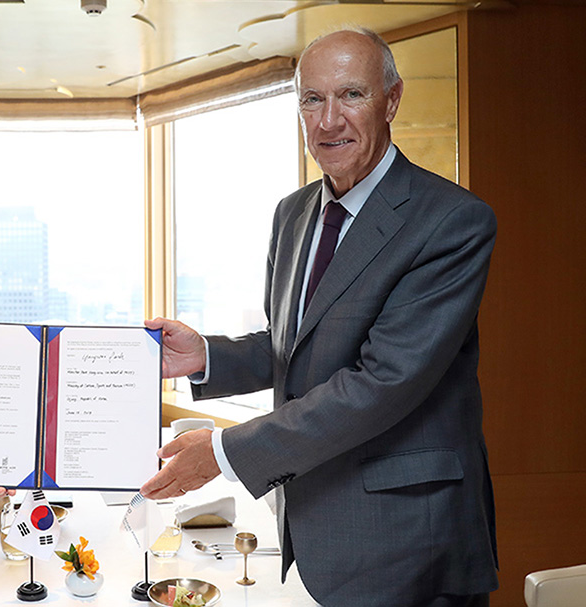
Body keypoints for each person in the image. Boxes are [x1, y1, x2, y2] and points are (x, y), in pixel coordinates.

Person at [141, 29, 499, 607]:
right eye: (312, 99)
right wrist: (208, 354)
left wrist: (226, 452)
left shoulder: (451, 222)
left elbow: (382, 382)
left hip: (412, 539)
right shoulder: (295, 213)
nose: (329, 120)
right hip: (321, 525)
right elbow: (302, 343)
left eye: (351, 95)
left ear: (392, 99)